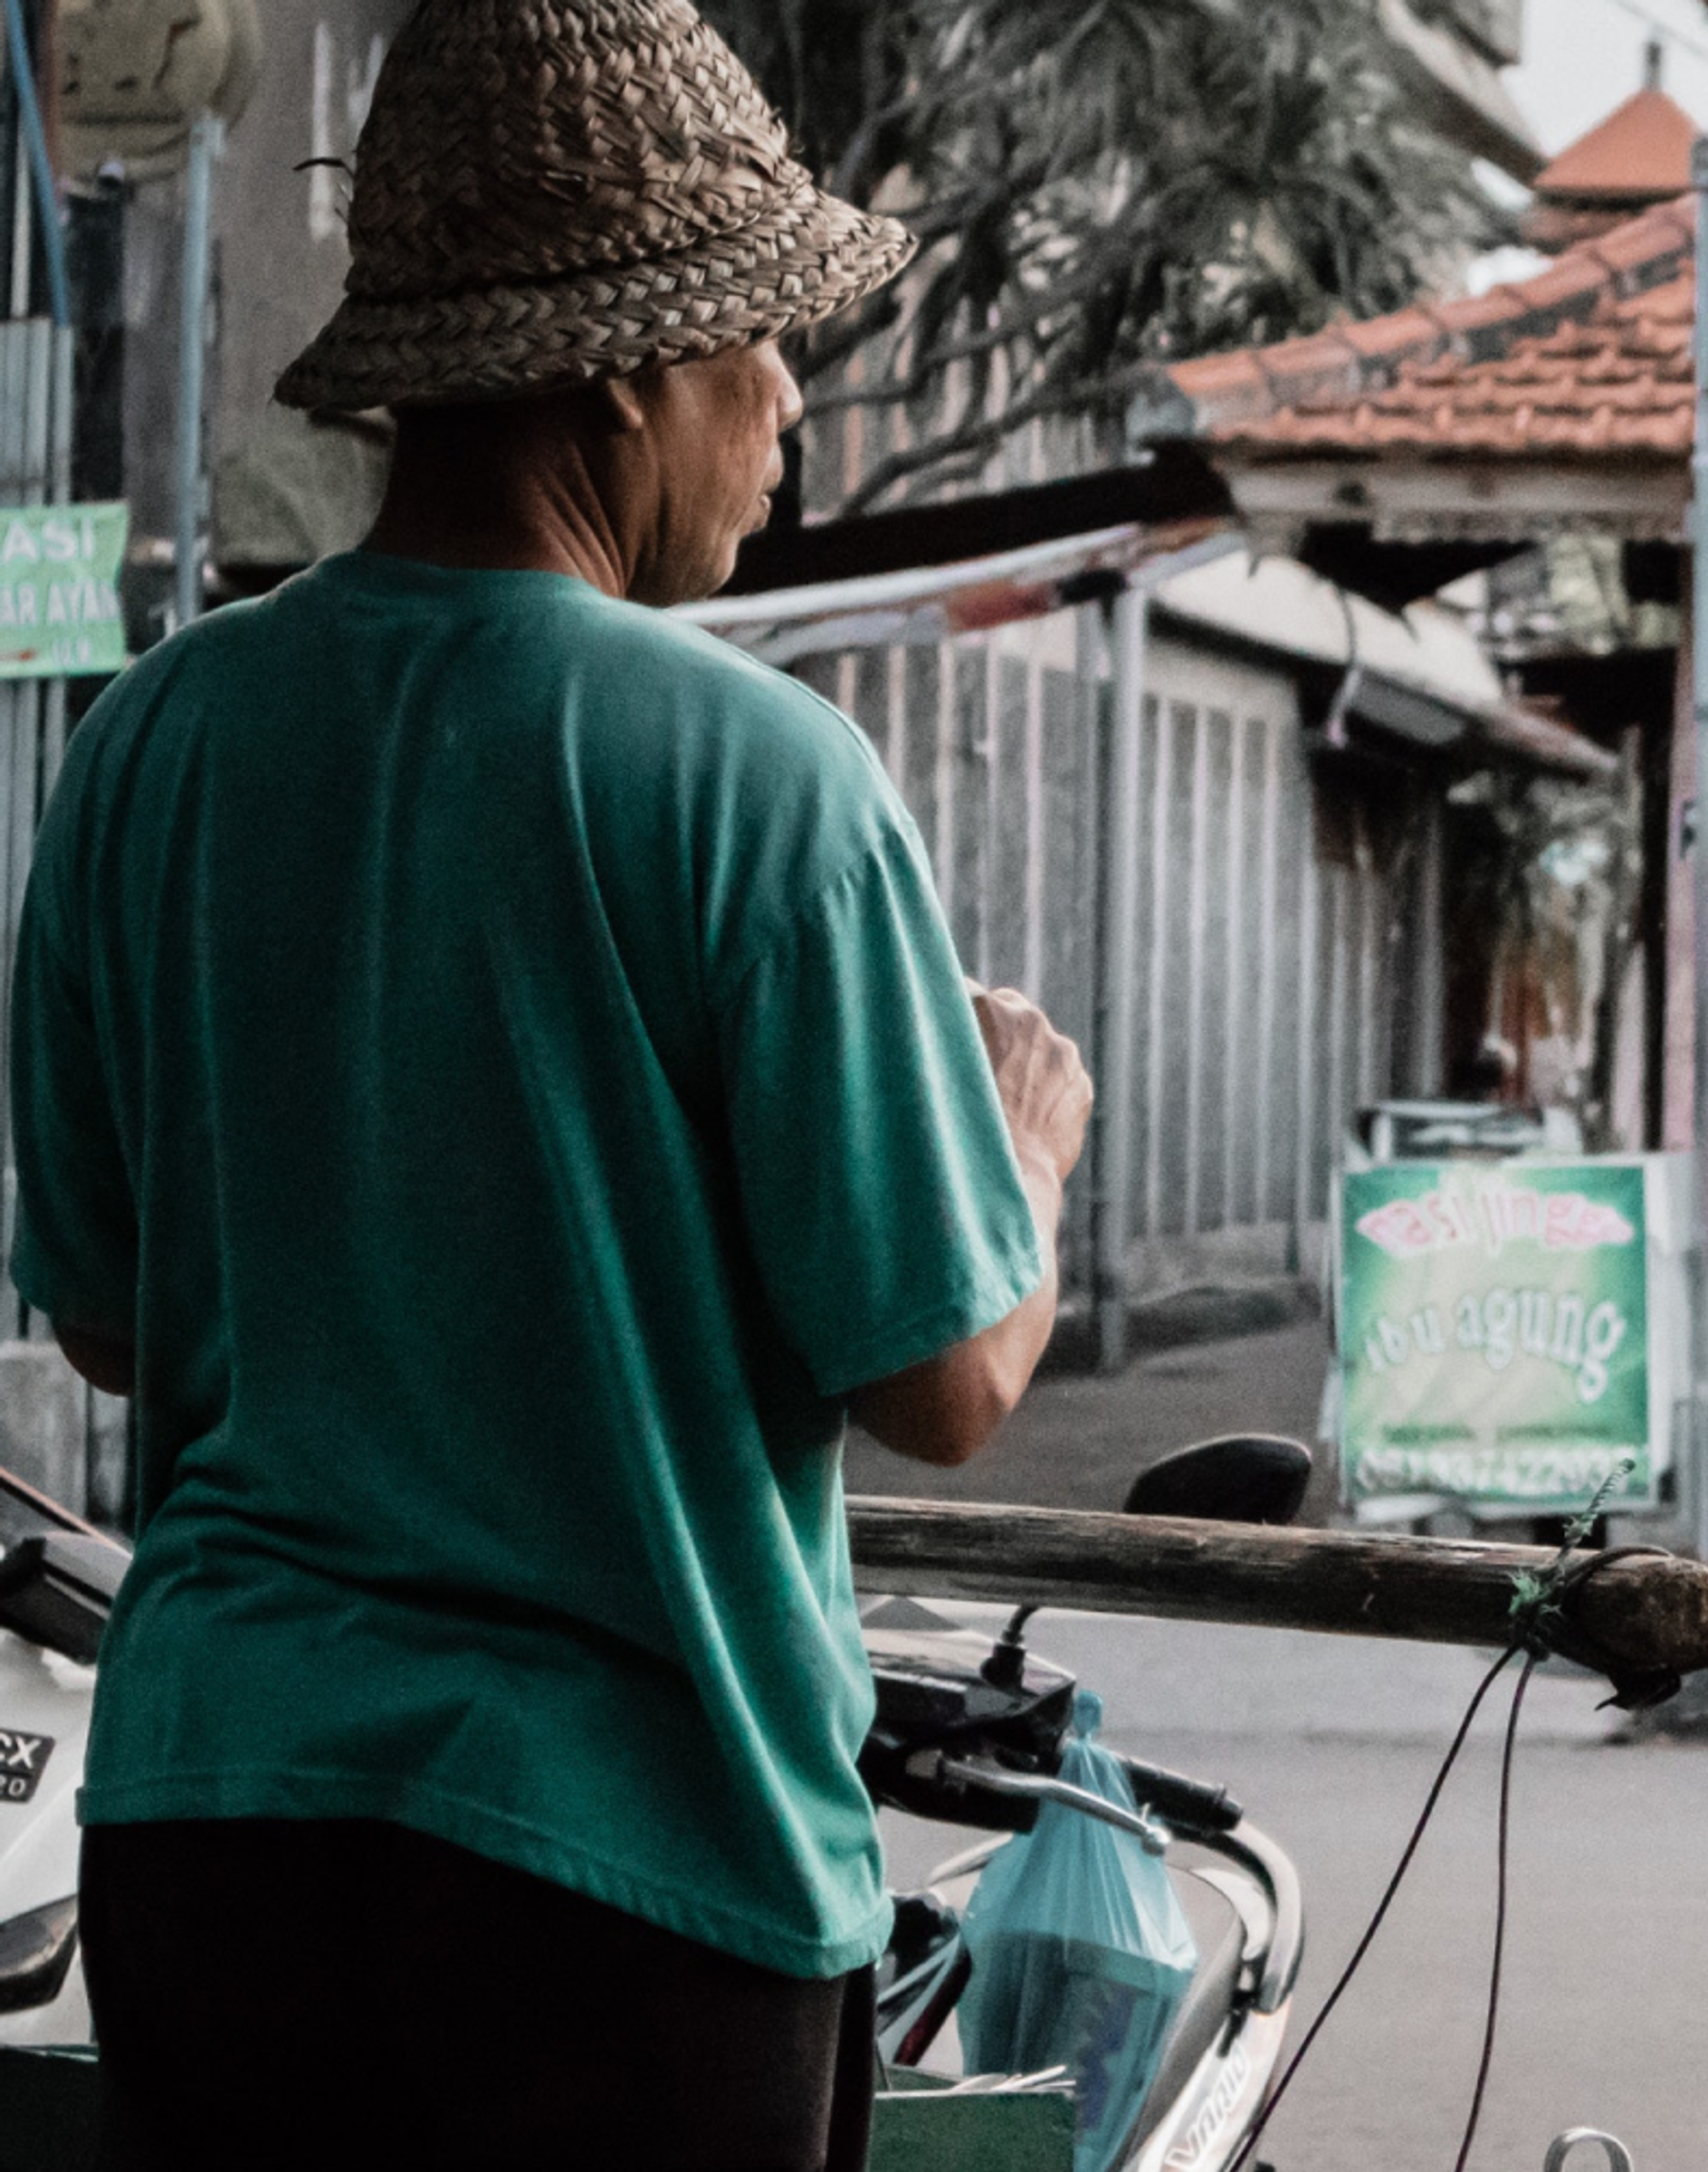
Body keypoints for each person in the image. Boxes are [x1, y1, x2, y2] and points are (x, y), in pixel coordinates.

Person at [5, 5, 1090, 2164]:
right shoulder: (761, 776)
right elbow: (942, 1379)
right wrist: (1025, 1149)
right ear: (625, 368)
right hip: (632, 1870)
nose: (784, 404)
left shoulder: (154, 743)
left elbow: (114, 1318)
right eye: (754, 345)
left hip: (221, 1828)